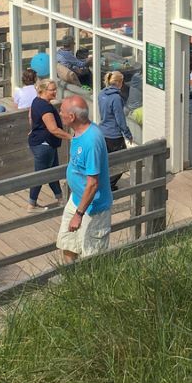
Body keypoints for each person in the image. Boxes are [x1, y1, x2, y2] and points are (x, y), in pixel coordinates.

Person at [56, 95, 113, 262]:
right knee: (67, 243)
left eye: (62, 111)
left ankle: (90, 286)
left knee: (92, 255)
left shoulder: (91, 141)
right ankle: (72, 280)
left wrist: (78, 214)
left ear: (72, 117)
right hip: (76, 200)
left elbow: (93, 183)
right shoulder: (78, 132)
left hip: (92, 208)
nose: (60, 114)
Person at [27, 79, 69, 210]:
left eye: (55, 88)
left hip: (44, 143)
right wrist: (72, 137)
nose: (55, 91)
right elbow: (53, 129)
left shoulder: (36, 101)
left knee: (53, 172)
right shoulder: (45, 107)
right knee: (39, 176)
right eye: (52, 89)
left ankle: (61, 199)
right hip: (44, 144)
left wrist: (33, 128)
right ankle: (31, 205)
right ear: (43, 91)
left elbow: (30, 116)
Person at [98, 71, 133, 190]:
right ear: (119, 83)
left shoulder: (101, 94)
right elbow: (120, 119)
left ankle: (102, 183)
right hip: (114, 136)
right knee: (122, 162)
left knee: (106, 161)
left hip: (103, 133)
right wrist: (127, 134)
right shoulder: (116, 98)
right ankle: (109, 185)